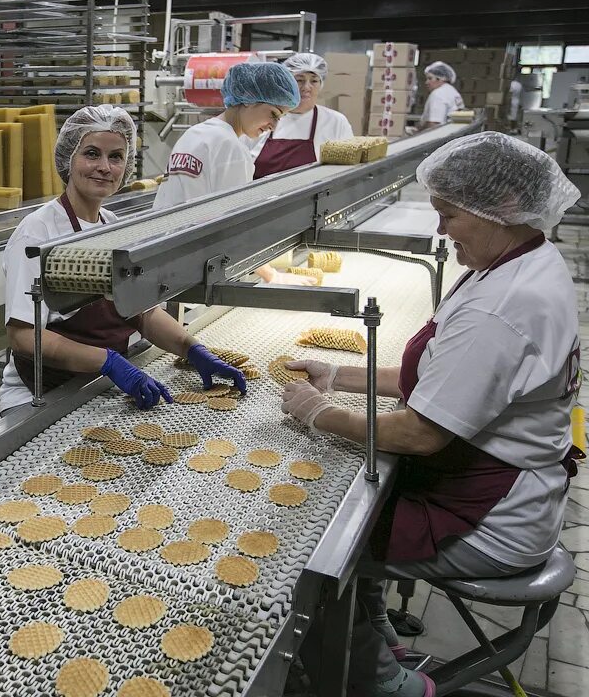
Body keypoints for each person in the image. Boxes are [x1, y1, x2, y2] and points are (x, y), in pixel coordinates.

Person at [280, 132, 582, 697]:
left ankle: (379, 683)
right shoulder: (518, 263)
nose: (441, 230)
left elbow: (419, 433)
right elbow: (449, 381)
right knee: (350, 525)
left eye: (449, 215)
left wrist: (321, 415)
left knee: (314, 556)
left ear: (502, 210)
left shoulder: (506, 306)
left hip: (491, 520)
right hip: (499, 485)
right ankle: (378, 637)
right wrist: (341, 375)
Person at [0, 106, 247, 415]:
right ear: (68, 158)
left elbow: (143, 313)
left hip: (96, 385)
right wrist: (109, 361)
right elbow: (22, 337)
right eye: (91, 153)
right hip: (41, 393)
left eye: (115, 157)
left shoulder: (113, 225)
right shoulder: (37, 232)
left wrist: (192, 349)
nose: (104, 166)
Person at [154, 61, 316, 286]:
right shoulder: (231, 147)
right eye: (273, 113)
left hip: (161, 260)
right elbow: (234, 228)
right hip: (197, 269)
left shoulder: (195, 133)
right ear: (249, 98)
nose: (274, 125)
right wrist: (272, 275)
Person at [250, 53, 354, 177]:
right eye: (299, 80)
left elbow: (345, 172)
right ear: (287, 83)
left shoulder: (336, 122)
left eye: (314, 81)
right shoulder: (264, 118)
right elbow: (243, 164)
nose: (307, 87)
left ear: (321, 85)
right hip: (260, 195)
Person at [420, 62, 465, 129]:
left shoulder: (438, 94)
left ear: (440, 79)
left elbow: (434, 124)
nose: (426, 82)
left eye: (430, 78)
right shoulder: (452, 91)